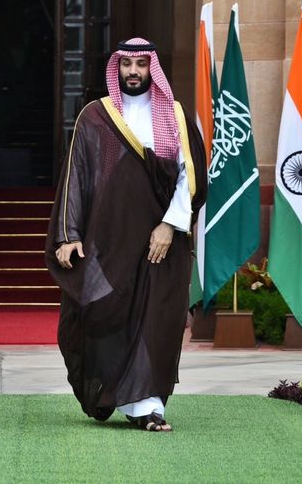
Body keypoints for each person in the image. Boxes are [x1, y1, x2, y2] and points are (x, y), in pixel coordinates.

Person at [45, 38, 207, 432]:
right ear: (116, 68)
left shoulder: (175, 115)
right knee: (102, 314)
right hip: (110, 239)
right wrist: (68, 234)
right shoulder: (95, 116)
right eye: (126, 64)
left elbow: (190, 177)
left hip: (162, 243)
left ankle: (149, 406)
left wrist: (169, 225)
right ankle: (116, 394)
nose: (133, 71)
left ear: (153, 68)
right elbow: (76, 176)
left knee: (158, 321)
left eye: (141, 64)